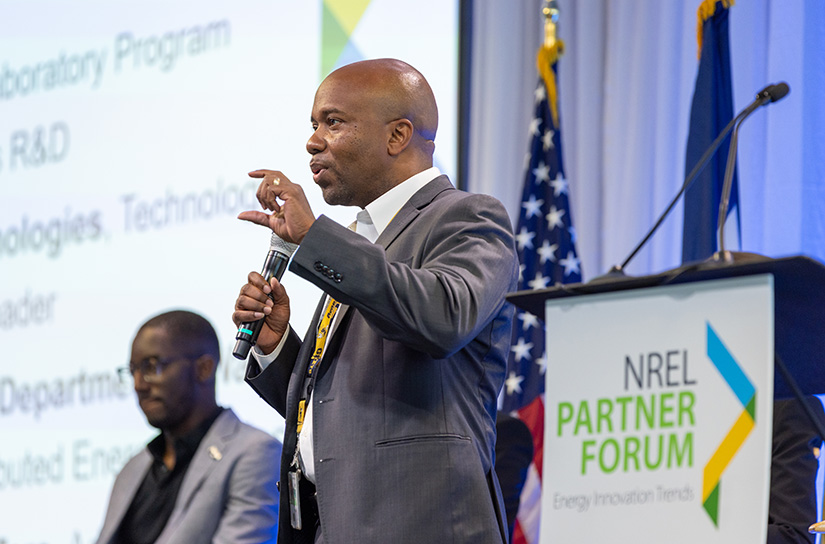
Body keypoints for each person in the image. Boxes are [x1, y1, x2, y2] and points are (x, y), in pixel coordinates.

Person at [232, 58, 518, 543]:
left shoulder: (468, 218)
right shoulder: (360, 239)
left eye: (333, 122)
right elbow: (341, 413)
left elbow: (444, 318)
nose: (312, 140)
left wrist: (315, 238)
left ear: (397, 135)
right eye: (313, 124)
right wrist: (279, 346)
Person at [96, 310, 281, 544]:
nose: (138, 384)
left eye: (151, 367)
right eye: (133, 370)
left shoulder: (256, 454)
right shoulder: (133, 468)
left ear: (204, 368)